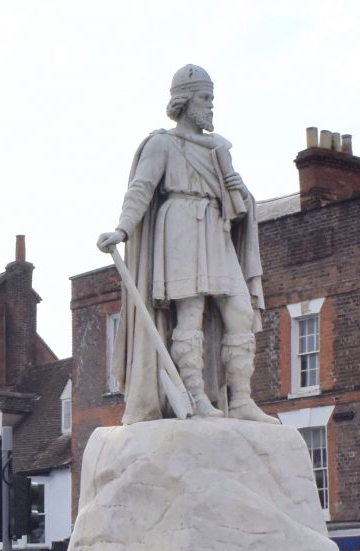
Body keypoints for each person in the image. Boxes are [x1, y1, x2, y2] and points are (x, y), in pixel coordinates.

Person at [97, 64, 278, 425]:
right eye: (205, 98)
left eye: (212, 98)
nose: (211, 106)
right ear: (185, 100)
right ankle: (195, 397)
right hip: (180, 225)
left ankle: (240, 398)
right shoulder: (162, 143)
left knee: (240, 311)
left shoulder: (217, 148)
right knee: (190, 314)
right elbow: (142, 188)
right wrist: (122, 229)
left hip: (215, 225)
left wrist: (241, 196)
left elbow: (238, 202)